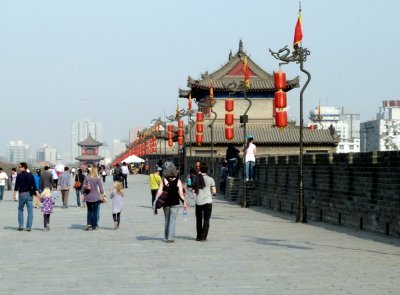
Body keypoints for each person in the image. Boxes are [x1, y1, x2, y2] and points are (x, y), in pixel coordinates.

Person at [154, 162, 187, 243]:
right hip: (175, 202)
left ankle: (166, 236)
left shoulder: (163, 180)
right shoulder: (178, 181)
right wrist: (184, 202)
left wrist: (156, 200)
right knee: (172, 220)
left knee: (166, 219)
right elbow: (181, 193)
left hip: (166, 202)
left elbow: (159, 191)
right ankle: (170, 237)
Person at [13, 162, 40, 231]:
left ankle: (21, 226)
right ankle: (28, 227)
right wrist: (38, 195)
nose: (19, 168)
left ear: (23, 167)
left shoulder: (19, 176)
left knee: (20, 210)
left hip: (22, 194)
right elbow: (34, 186)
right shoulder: (31, 175)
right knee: (30, 211)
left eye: (19, 167)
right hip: (29, 195)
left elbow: (16, 186)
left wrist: (14, 195)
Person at [195, 162, 216, 242]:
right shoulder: (211, 179)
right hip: (208, 201)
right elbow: (214, 191)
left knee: (199, 219)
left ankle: (198, 236)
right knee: (206, 219)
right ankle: (204, 236)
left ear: (200, 169)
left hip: (198, 201)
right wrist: (211, 192)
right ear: (207, 170)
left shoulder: (196, 178)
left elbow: (193, 189)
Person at [82, 166, 104, 230]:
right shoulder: (98, 178)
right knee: (95, 211)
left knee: (89, 211)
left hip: (88, 196)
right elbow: (101, 189)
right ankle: (94, 226)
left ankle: (89, 224)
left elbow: (83, 187)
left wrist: (83, 194)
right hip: (96, 197)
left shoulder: (87, 177)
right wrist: (102, 194)